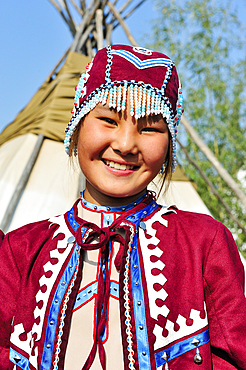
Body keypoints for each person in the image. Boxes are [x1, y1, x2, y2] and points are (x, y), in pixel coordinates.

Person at [0, 44, 246, 370]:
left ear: (169, 142)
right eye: (108, 120)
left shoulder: (204, 242)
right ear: (76, 127)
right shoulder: (22, 249)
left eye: (149, 128)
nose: (126, 144)